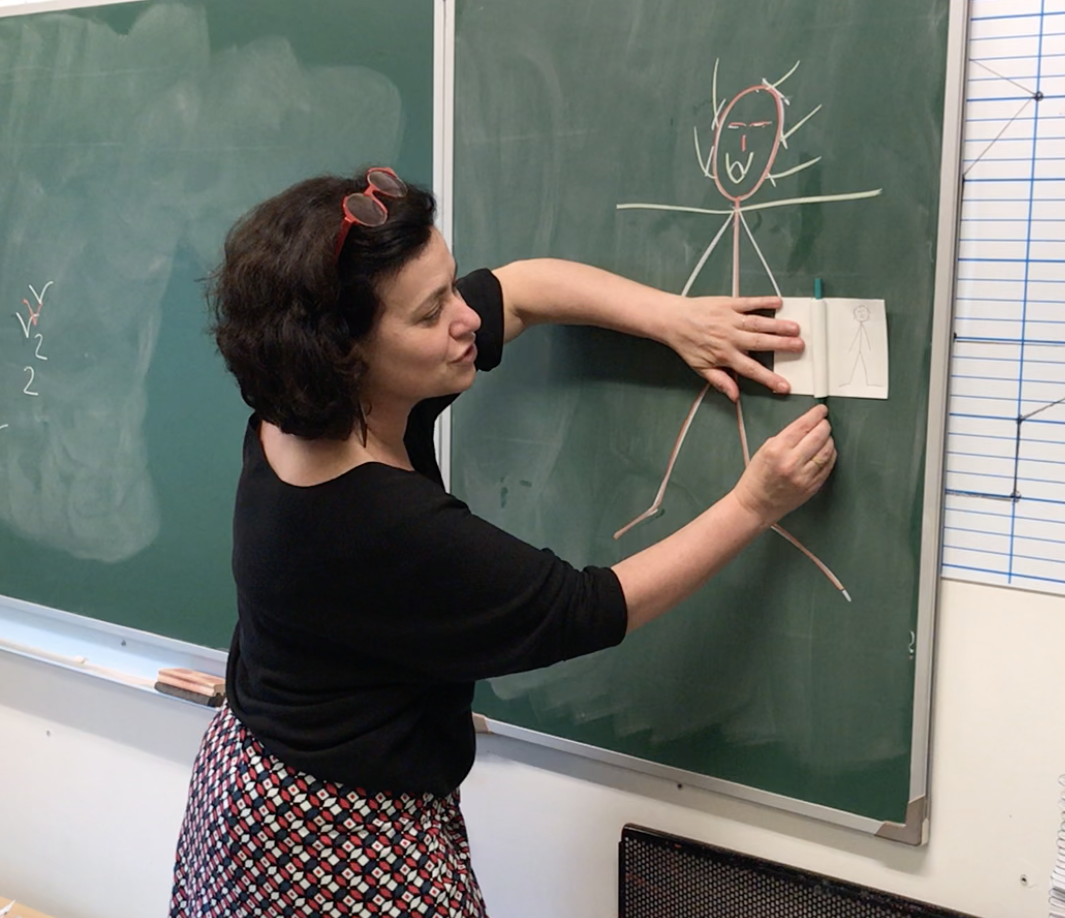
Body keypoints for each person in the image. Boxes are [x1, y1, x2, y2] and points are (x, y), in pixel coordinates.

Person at [169, 167, 835, 917]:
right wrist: (753, 503)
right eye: (430, 313)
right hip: (323, 830)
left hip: (254, 772)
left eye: (450, 285)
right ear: (344, 354)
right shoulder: (374, 521)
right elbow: (586, 607)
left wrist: (673, 318)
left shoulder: (307, 410)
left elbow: (519, 291)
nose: (466, 318)